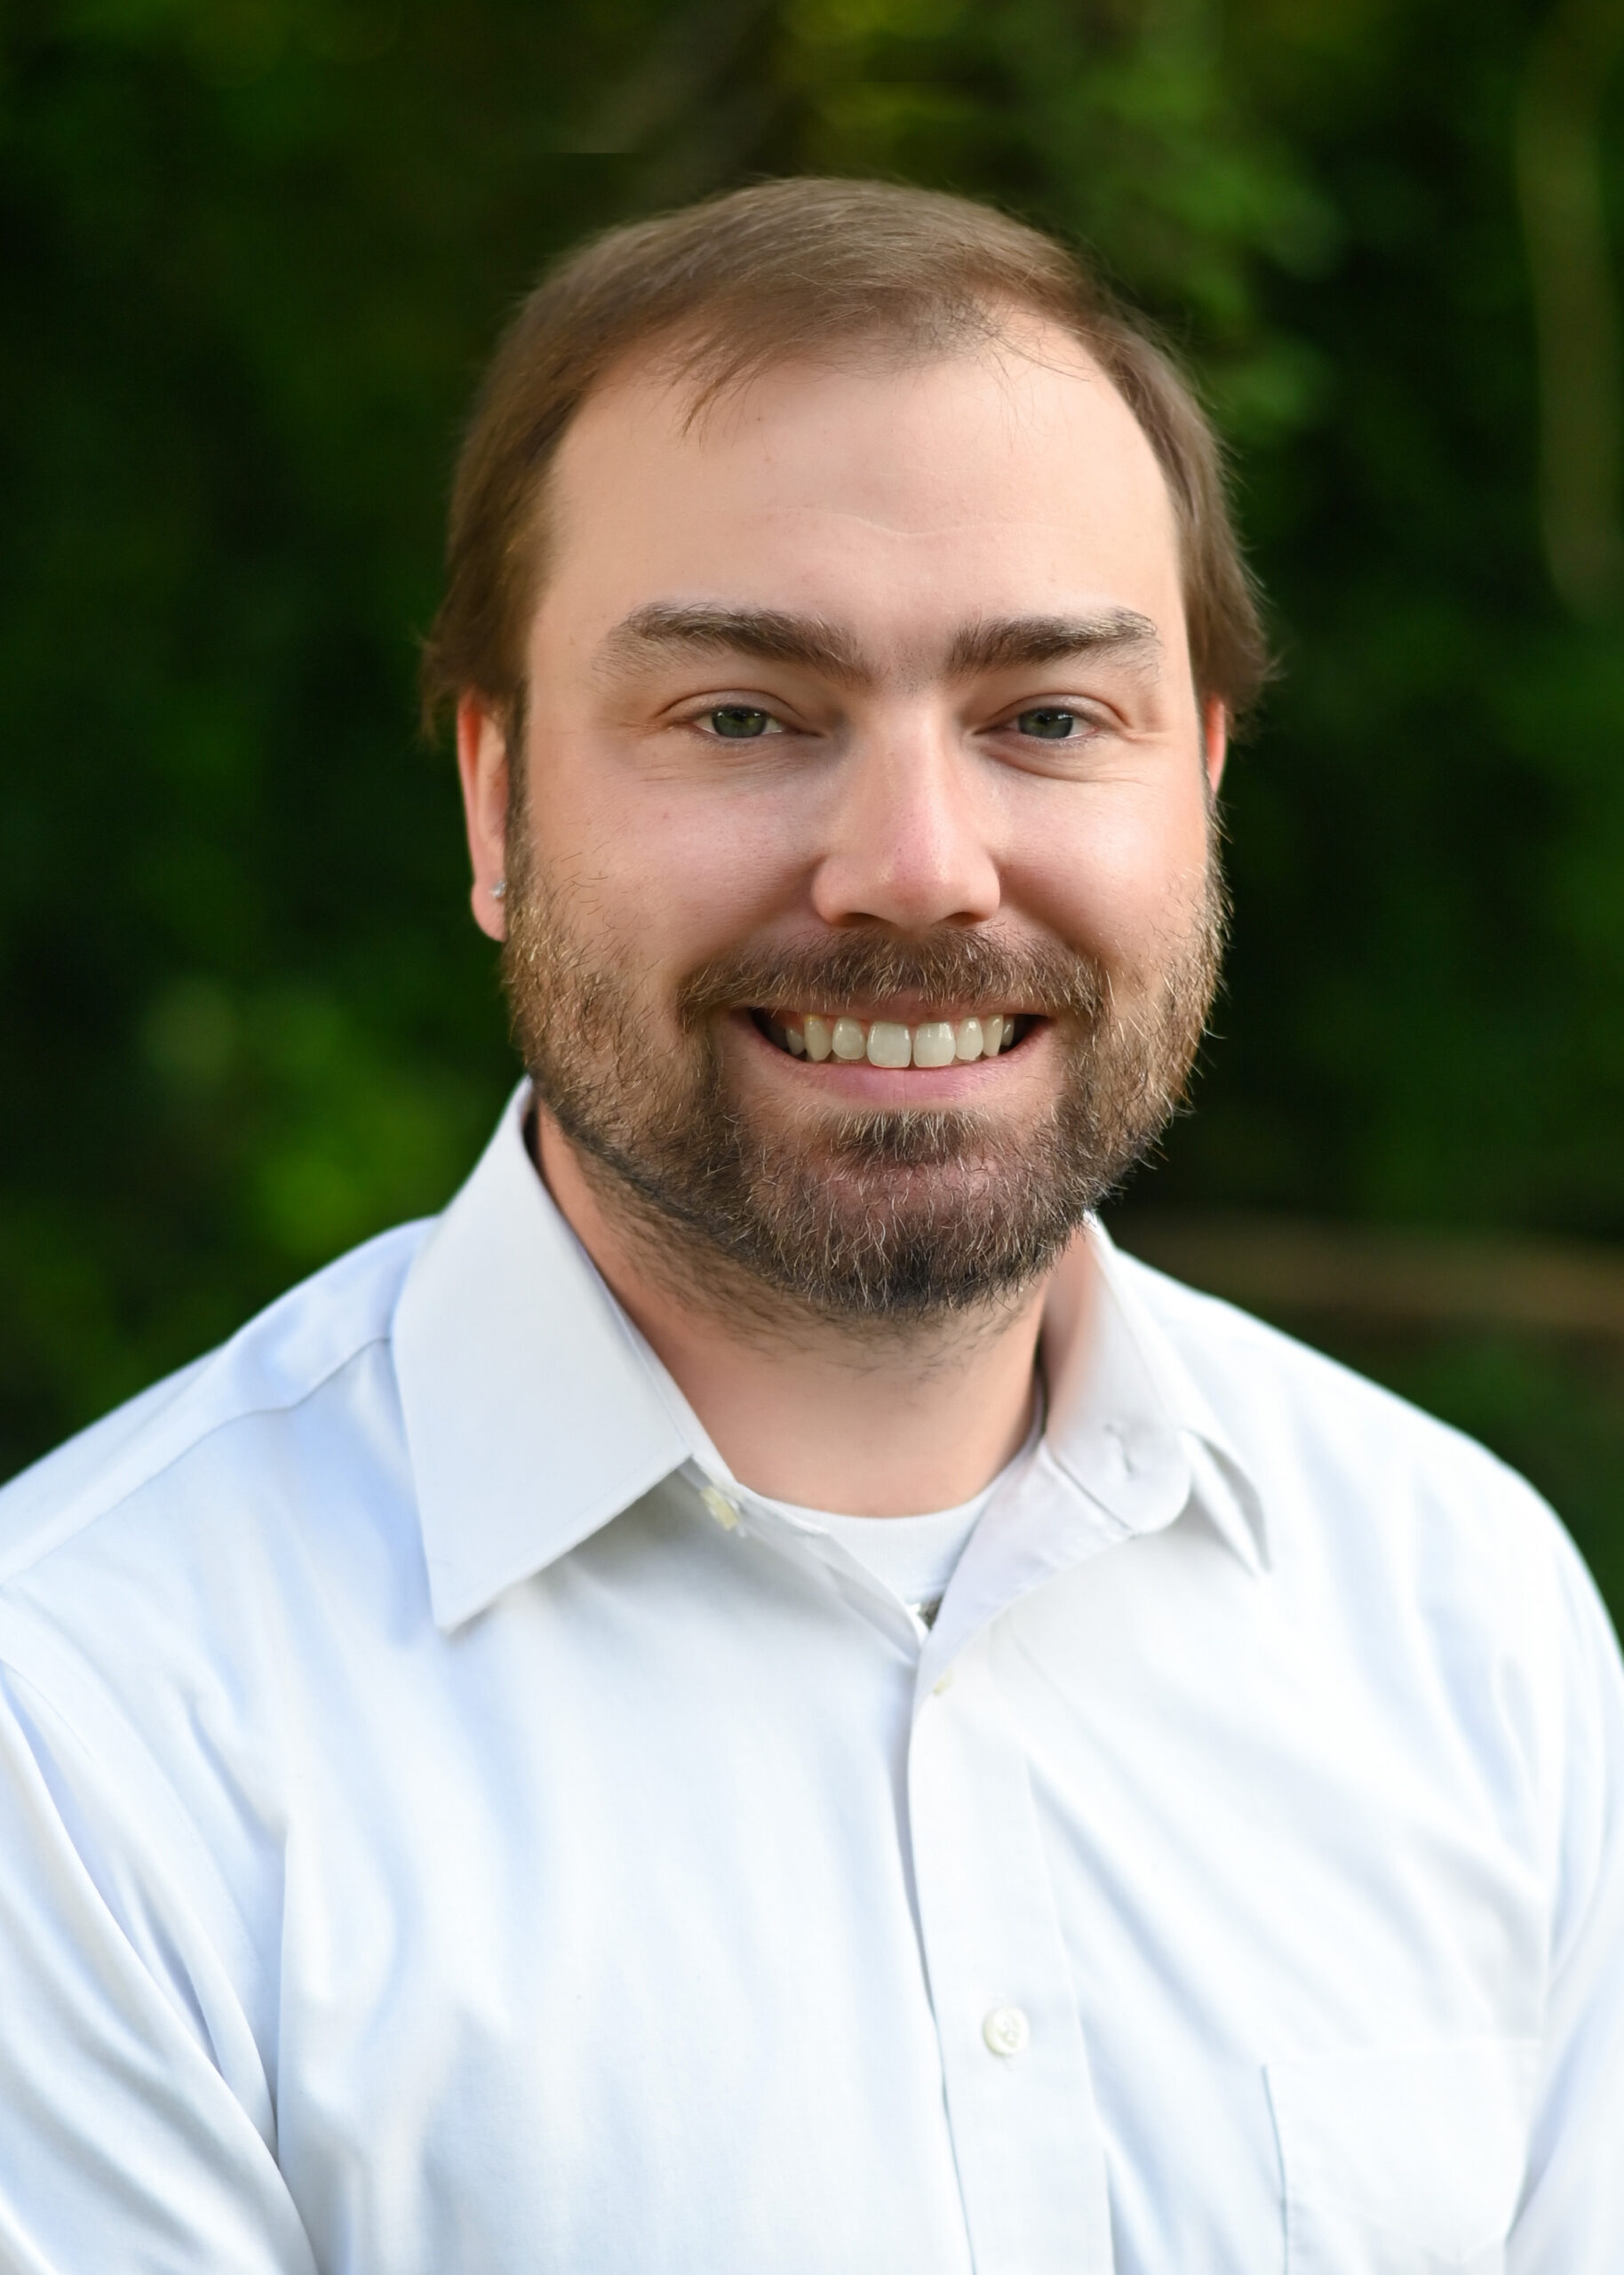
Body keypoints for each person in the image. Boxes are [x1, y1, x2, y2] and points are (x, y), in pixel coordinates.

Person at [0, 178, 1619, 2275]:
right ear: (493, 798)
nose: (917, 866)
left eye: (1047, 717)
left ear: (1200, 785)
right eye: (743, 715)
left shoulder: (1462, 1612)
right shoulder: (85, 1727)